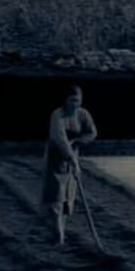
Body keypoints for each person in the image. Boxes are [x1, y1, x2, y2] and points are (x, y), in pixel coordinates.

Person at [42, 85, 98, 246]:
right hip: (56, 159)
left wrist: (79, 140)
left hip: (73, 157)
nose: (75, 104)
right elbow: (59, 139)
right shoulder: (57, 115)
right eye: (72, 100)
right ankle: (58, 235)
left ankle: (62, 232)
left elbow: (92, 132)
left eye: (78, 100)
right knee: (57, 197)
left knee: (68, 198)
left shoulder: (83, 114)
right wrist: (72, 158)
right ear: (65, 100)